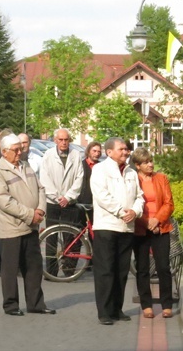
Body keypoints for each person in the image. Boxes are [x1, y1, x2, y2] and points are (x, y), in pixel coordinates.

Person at [0, 134, 55, 316]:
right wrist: (29, 214)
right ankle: (11, 305)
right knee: (10, 269)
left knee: (34, 267)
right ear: (4, 152)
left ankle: (36, 304)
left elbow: (40, 188)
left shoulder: (26, 166)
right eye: (16, 150)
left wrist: (41, 209)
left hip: (31, 226)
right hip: (11, 228)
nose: (20, 152)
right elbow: (4, 201)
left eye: (21, 148)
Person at [90, 137, 144, 325]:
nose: (126, 152)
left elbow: (140, 196)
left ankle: (116, 309)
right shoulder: (100, 170)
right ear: (109, 152)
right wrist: (122, 212)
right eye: (121, 149)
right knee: (106, 270)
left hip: (126, 227)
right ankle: (104, 311)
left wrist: (135, 211)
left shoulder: (131, 172)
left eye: (126, 149)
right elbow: (102, 196)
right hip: (107, 226)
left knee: (121, 270)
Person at [130, 148, 175, 319]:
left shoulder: (161, 178)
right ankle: (146, 304)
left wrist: (157, 220)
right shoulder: (132, 180)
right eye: (146, 162)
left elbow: (169, 203)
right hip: (141, 228)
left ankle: (167, 304)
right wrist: (147, 222)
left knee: (163, 267)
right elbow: (131, 203)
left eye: (151, 161)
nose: (150, 164)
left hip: (161, 227)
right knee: (142, 269)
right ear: (137, 165)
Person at [39, 128, 84, 277]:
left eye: (66, 140)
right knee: (51, 236)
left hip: (69, 202)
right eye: (61, 140)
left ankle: (69, 270)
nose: (64, 142)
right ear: (55, 141)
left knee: (69, 236)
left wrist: (68, 197)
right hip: (53, 202)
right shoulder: (48, 155)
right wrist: (57, 197)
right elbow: (44, 178)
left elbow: (79, 178)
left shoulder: (76, 155)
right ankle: (51, 271)